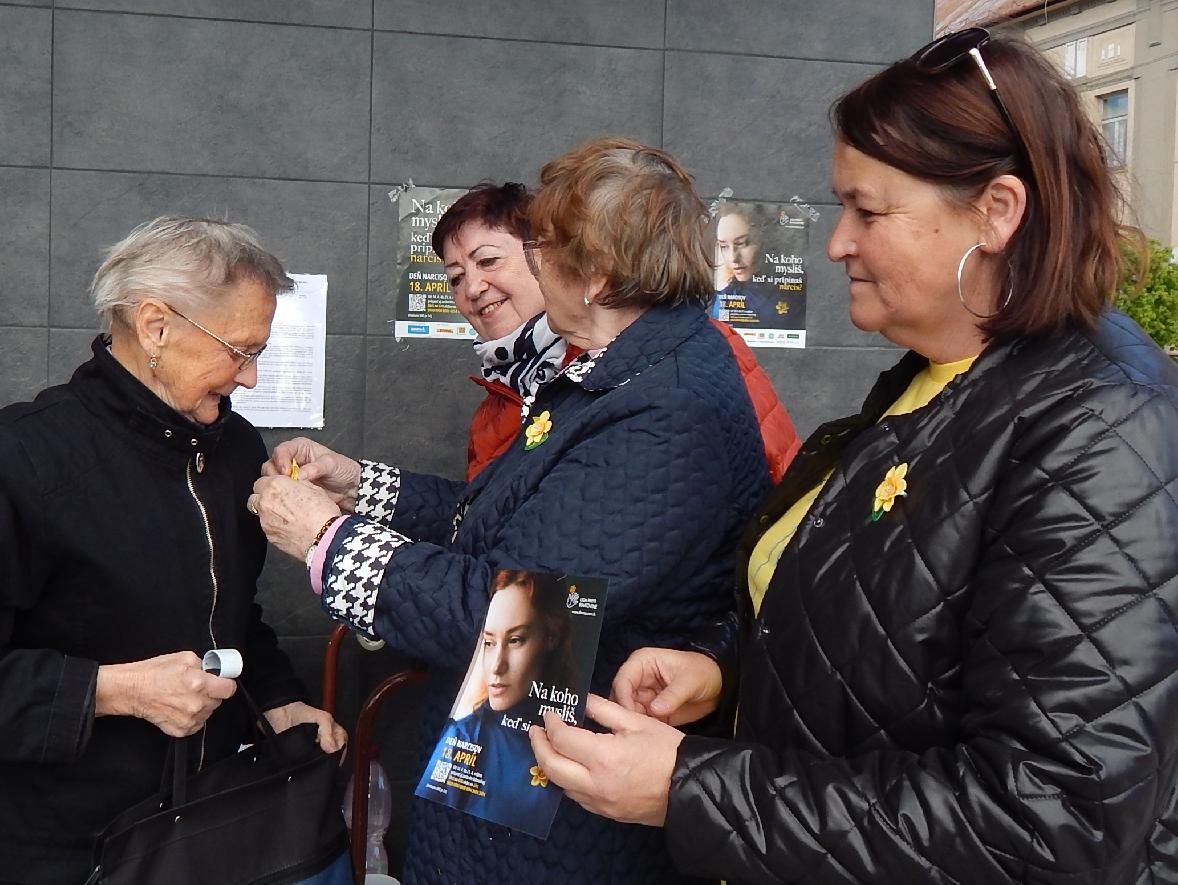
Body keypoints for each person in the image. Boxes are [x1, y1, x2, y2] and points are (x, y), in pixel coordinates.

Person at [530, 29, 1178, 885]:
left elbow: (1052, 817)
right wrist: (727, 672)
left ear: (997, 211)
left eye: (867, 211)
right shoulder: (937, 379)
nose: (837, 242)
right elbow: (892, 641)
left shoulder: (1098, 422)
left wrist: (693, 786)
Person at [249, 137, 773, 884]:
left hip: (563, 794)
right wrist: (360, 489)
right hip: (511, 759)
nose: (522, 270)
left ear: (592, 273)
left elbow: (521, 620)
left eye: (539, 248)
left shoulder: (664, 404)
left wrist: (326, 540)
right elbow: (499, 520)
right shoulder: (607, 375)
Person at [0, 216, 346, 885]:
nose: (249, 378)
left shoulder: (234, 448)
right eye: (239, 351)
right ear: (156, 326)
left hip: (205, 824)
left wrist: (277, 696)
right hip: (65, 845)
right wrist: (114, 691)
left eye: (260, 353)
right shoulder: (25, 457)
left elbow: (235, 613)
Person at [434, 182, 800, 484]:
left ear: (545, 256)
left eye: (487, 261)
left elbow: (772, 483)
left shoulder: (675, 351)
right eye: (456, 277)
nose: (473, 288)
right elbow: (485, 531)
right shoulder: (494, 407)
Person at [417, 570, 575, 835]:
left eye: (515, 640)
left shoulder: (580, 718)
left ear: (551, 637)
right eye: (489, 643)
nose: (497, 666)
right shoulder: (464, 735)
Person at [710, 203, 805, 330]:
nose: (733, 258)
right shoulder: (722, 299)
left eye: (742, 243)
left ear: (763, 240)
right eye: (723, 246)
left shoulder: (795, 289)